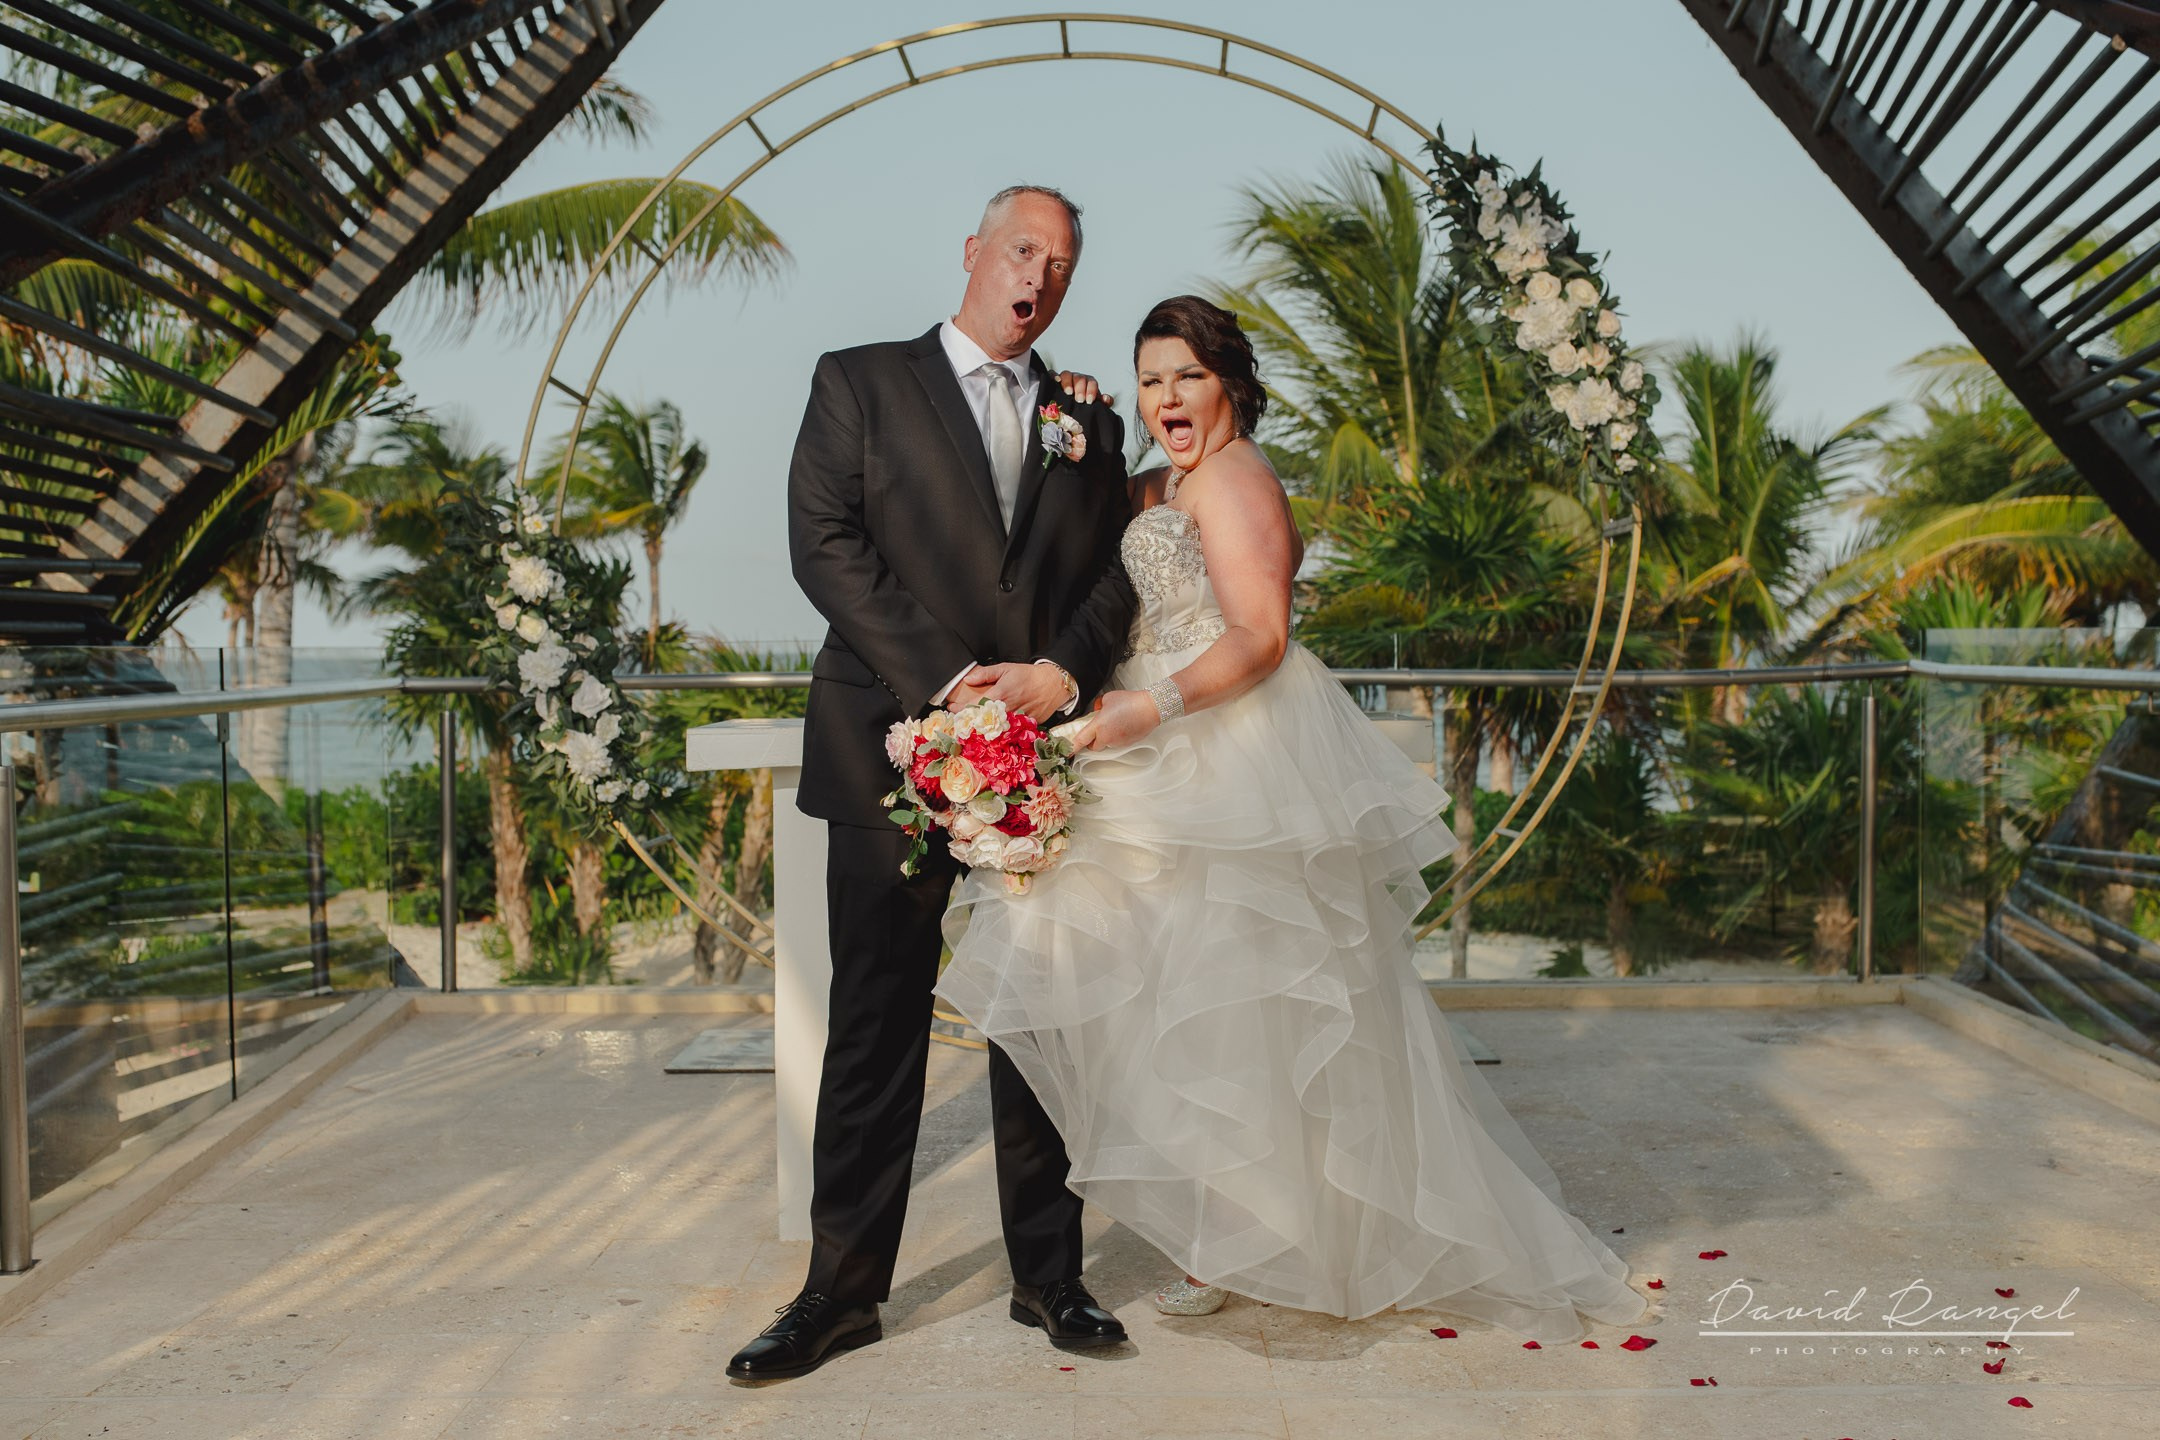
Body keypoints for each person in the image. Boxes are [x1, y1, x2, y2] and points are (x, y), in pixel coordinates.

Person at [933, 295, 1652, 1341]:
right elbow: (1090, 533)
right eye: (1150, 379)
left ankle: (1264, 1231)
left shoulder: (1238, 479)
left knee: (1243, 997)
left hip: (1224, 742)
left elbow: (1261, 635)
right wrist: (1076, 411)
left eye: (1187, 375)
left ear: (1229, 383)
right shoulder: (1163, 480)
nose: (1167, 397)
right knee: (1173, 993)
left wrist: (1148, 707)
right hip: (1151, 739)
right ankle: (1223, 1222)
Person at [727, 186, 1138, 1383]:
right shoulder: (858, 381)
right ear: (973, 252)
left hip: (1039, 765)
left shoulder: (1085, 417)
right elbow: (823, 541)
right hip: (887, 749)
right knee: (874, 1024)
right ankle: (838, 1296)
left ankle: (1050, 1277)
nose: (1038, 276)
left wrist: (1058, 675)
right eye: (1021, 250)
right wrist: (955, 687)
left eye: (1060, 264)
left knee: (1042, 1021)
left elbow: (1118, 574)